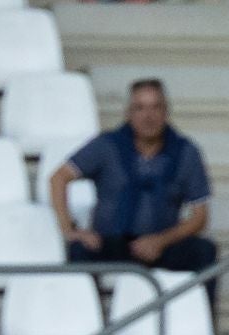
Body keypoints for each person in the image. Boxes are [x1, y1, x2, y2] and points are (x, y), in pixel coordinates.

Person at [49, 79, 216, 280]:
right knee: (80, 251)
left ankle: (197, 312)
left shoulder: (185, 152)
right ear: (128, 113)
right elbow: (58, 178)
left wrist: (159, 241)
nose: (148, 116)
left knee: (204, 252)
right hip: (111, 242)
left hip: (162, 243)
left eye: (156, 107)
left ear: (166, 112)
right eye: (140, 108)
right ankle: (86, 311)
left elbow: (200, 216)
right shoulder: (107, 145)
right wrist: (71, 230)